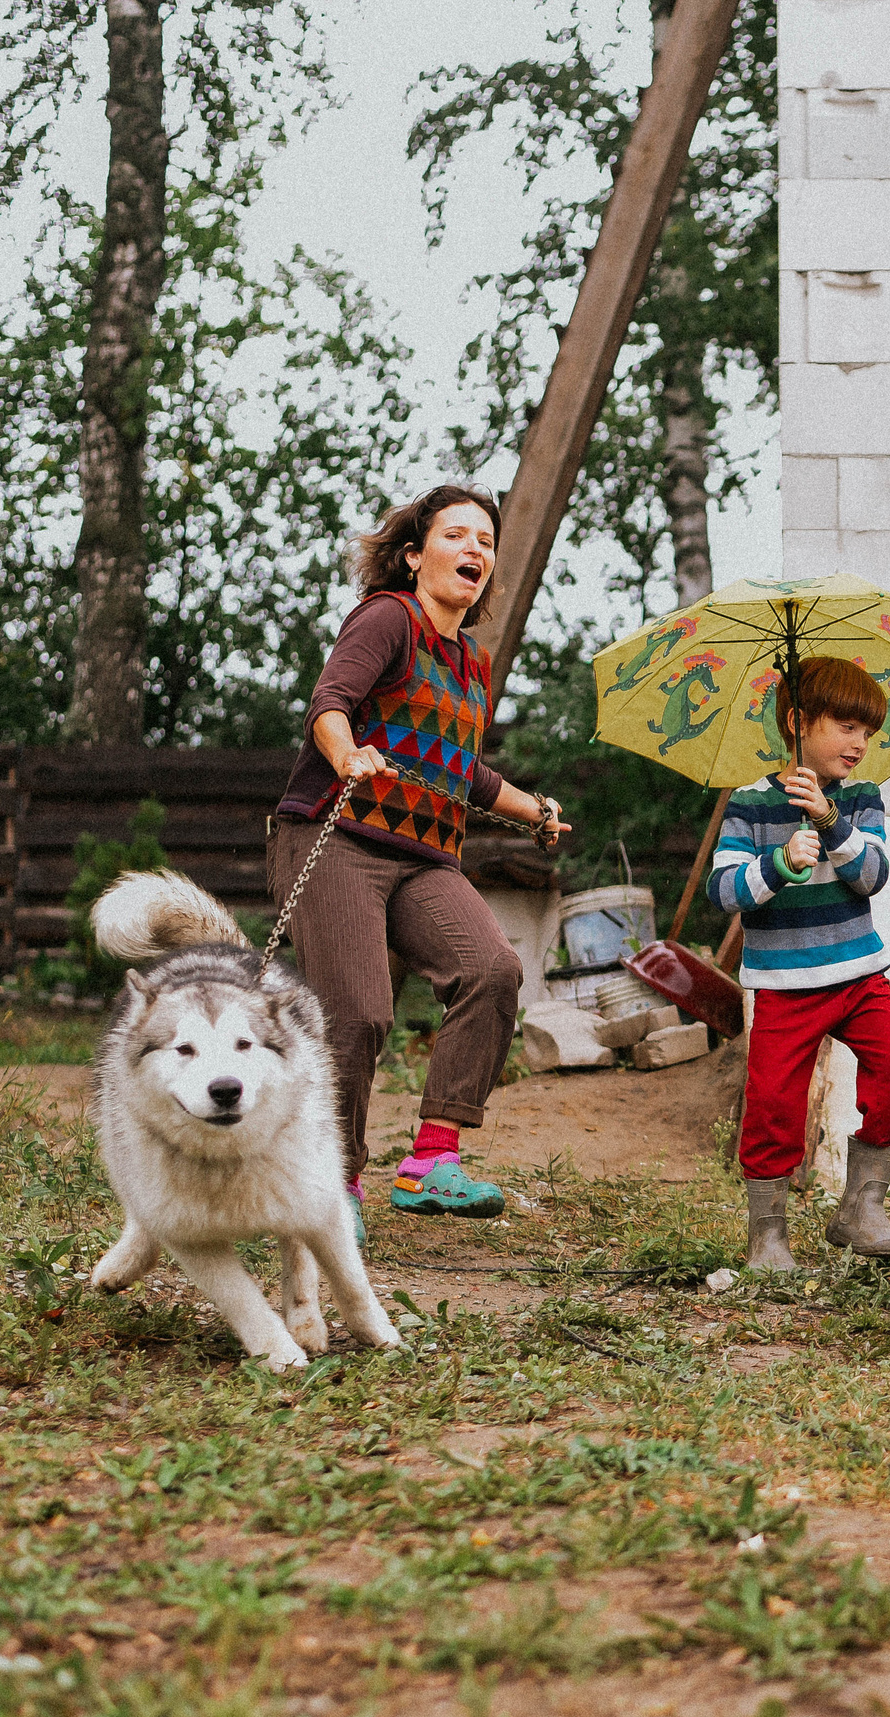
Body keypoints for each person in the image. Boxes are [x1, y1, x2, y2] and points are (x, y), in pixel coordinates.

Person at [269, 484, 570, 1227]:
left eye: (485, 541)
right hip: (334, 837)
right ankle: (331, 1185)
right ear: (413, 555)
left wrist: (535, 811)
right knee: (360, 1010)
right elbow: (329, 704)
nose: (475, 549)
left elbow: (461, 769)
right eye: (456, 534)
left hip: (422, 855)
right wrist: (345, 755)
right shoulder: (386, 619)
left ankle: (432, 1161)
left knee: (492, 969)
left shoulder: (472, 664)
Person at [706, 656, 890, 1271]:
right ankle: (767, 1237)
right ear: (799, 721)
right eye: (847, 726)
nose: (860, 743)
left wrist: (830, 823)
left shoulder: (859, 798)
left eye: (868, 732)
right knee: (774, 1103)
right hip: (783, 983)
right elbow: (722, 892)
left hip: (858, 976)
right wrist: (777, 864)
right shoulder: (751, 805)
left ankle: (861, 1208)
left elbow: (872, 877)